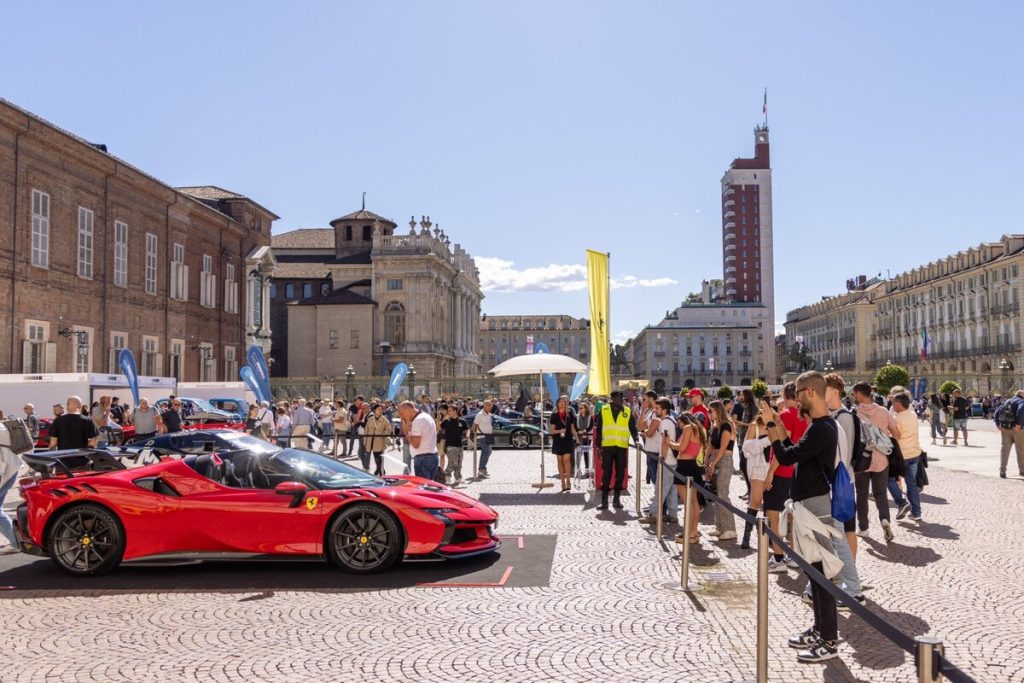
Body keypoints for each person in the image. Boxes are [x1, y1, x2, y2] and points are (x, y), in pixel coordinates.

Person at [761, 371, 841, 663]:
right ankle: (820, 629)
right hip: (809, 505)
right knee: (813, 571)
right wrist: (778, 423)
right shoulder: (819, 426)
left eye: (798, 395)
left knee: (822, 575)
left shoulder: (822, 429)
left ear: (809, 392)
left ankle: (830, 640)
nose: (795, 402)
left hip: (816, 507)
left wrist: (771, 424)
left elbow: (785, 456)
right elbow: (793, 449)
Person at [851, 382, 900, 542]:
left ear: (859, 394)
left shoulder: (854, 413)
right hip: (882, 460)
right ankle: (885, 519)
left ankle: (863, 528)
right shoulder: (884, 411)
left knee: (862, 495)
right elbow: (897, 434)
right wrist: (883, 438)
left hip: (862, 460)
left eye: (854, 393)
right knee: (881, 493)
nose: (853, 396)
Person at [594, 390, 638, 511]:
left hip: (621, 447)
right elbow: (599, 429)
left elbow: (632, 428)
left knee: (620, 474)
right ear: (612, 399)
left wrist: (637, 440)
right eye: (618, 398)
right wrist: (598, 446)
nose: (621, 400)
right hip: (607, 447)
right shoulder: (604, 410)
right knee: (606, 474)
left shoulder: (627, 411)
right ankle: (604, 501)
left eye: (622, 398)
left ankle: (616, 500)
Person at [667, 412, 706, 544]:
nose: (678, 424)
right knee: (693, 502)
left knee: (687, 502)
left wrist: (670, 443)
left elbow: (682, 448)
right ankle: (693, 532)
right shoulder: (699, 428)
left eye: (679, 421)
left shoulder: (688, 428)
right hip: (693, 466)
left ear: (684, 419)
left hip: (684, 466)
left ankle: (689, 533)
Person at [888, 392, 925, 522]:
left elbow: (896, 435)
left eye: (893, 403)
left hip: (902, 455)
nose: (892, 405)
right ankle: (917, 512)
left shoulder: (898, 418)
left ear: (899, 404)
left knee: (890, 479)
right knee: (912, 484)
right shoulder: (913, 415)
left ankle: (901, 502)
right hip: (914, 453)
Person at [705, 400, 737, 541]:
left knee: (723, 494)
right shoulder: (715, 426)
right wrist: (707, 460)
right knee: (717, 495)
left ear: (718, 411)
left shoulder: (726, 426)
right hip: (715, 460)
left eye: (710, 411)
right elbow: (710, 445)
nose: (708, 414)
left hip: (724, 461)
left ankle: (730, 529)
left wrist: (713, 463)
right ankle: (720, 526)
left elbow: (723, 448)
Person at [739, 418, 770, 549]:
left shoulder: (776, 424)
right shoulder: (754, 426)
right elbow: (746, 448)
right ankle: (746, 537)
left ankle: (768, 536)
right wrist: (765, 441)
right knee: (756, 500)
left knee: (771, 504)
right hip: (758, 467)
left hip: (773, 466)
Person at [400, 400, 439, 481]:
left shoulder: (418, 420)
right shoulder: (426, 416)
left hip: (423, 459)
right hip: (432, 456)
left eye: (402, 414)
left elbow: (415, 444)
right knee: (429, 488)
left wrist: (406, 432)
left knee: (423, 489)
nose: (402, 417)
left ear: (408, 409)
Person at [550, 396, 578, 492]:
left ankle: (568, 481)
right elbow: (552, 430)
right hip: (558, 440)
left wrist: (577, 438)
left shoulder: (570, 415)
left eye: (563, 402)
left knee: (567, 460)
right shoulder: (554, 416)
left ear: (566, 404)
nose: (562, 403)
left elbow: (572, 428)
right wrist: (560, 430)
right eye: (560, 402)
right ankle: (562, 482)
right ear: (557, 404)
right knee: (560, 460)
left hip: (568, 439)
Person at [995, 390, 1024, 478]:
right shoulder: (1021, 401)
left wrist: (998, 425)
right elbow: (1021, 411)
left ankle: (1002, 471)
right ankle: (1022, 470)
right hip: (1016, 429)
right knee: (1020, 450)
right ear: (1022, 395)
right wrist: (1019, 424)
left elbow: (996, 413)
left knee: (1004, 450)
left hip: (1005, 429)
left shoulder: (1007, 401)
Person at [440, 405, 469, 484]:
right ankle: (447, 475)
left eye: (449, 410)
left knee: (459, 463)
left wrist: (467, 435)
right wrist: (441, 420)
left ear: (455, 411)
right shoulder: (446, 421)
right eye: (448, 410)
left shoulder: (462, 421)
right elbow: (440, 429)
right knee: (453, 462)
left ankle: (458, 478)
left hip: (460, 444)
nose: (448, 412)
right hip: (450, 445)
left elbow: (467, 430)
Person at [364, 403, 392, 476]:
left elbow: (388, 430)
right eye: (378, 409)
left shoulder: (384, 420)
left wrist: (382, 434)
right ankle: (381, 472)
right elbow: (366, 430)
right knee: (376, 457)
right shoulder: (370, 419)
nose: (380, 411)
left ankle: (378, 471)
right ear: (374, 410)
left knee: (378, 457)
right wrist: (365, 440)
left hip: (379, 441)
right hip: (371, 441)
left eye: (381, 409)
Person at [471, 400, 495, 479]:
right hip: (482, 436)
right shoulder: (479, 415)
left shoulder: (490, 415)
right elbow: (474, 427)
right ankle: (481, 470)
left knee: (487, 452)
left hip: (488, 436)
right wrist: (475, 437)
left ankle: (482, 469)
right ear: (484, 406)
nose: (490, 406)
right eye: (488, 405)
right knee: (487, 451)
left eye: (490, 405)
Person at [575, 402, 594, 476]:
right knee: (578, 453)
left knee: (586, 453)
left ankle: (587, 470)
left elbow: (590, 426)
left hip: (587, 437)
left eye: (581, 408)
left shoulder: (590, 417)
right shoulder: (577, 416)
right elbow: (575, 426)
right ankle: (578, 469)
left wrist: (584, 431)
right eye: (579, 408)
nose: (580, 409)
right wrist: (579, 432)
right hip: (579, 437)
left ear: (585, 408)